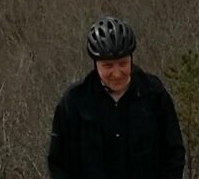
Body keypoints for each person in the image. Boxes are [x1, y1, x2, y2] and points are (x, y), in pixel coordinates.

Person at [46, 16, 186, 179]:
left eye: (123, 63)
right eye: (108, 66)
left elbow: (173, 153)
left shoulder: (153, 94)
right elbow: (59, 164)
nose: (117, 73)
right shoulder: (75, 102)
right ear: (95, 64)